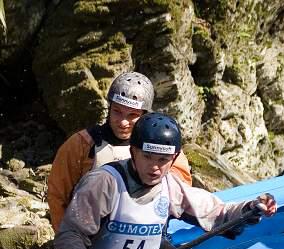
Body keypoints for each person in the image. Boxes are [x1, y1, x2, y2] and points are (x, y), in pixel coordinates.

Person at [54, 113, 276, 249]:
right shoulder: (103, 182)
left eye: (163, 160)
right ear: (133, 151)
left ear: (174, 157)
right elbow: (69, 235)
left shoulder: (170, 186)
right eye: (147, 157)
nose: (154, 167)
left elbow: (217, 213)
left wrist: (251, 208)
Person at [47, 71, 193, 232]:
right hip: (93, 234)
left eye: (132, 115)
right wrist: (66, 237)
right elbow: (57, 195)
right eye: (117, 111)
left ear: (144, 115)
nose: (123, 122)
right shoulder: (82, 143)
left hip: (147, 231)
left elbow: (181, 189)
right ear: (109, 108)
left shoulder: (164, 145)